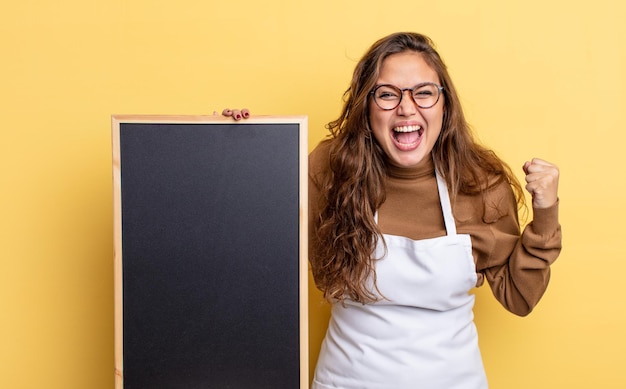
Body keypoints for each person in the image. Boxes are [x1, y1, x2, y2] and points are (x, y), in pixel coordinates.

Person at [227, 31, 561, 389]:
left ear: (444, 105)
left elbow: (520, 297)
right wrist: (229, 142)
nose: (406, 107)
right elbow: (256, 251)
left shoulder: (480, 183)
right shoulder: (328, 169)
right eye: (387, 94)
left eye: (424, 92)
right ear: (366, 107)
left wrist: (545, 215)